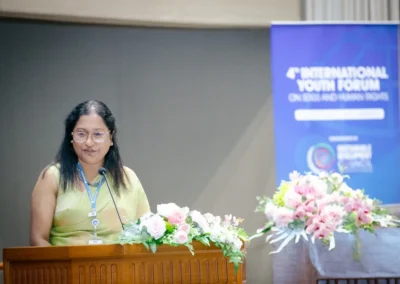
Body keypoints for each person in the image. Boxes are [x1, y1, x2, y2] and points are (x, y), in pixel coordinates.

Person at [30, 100, 150, 246]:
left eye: (97, 134)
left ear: (110, 137)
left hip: (119, 267)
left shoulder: (128, 178)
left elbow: (145, 235)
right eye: (81, 134)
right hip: (66, 266)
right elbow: (39, 239)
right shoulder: (52, 176)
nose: (89, 142)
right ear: (71, 137)